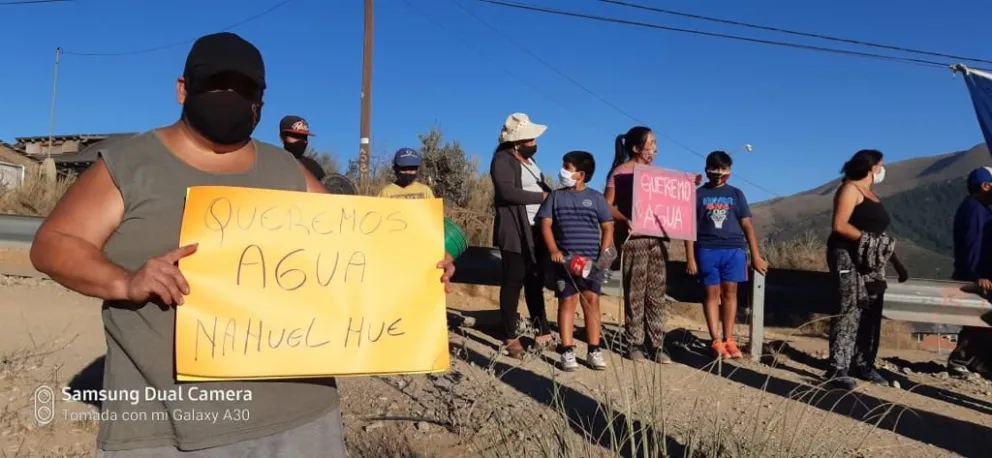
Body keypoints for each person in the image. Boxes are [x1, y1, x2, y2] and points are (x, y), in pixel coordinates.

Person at [28, 32, 455, 458]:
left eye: (245, 89)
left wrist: (419, 265)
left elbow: (356, 253)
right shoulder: (131, 164)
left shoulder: (286, 169)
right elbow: (53, 245)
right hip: (171, 434)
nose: (229, 96)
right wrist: (124, 282)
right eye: (215, 84)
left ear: (260, 103)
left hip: (302, 424)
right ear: (183, 90)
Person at [824, 149, 908, 390]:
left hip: (872, 262)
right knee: (849, 308)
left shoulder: (873, 195)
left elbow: (879, 236)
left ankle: (864, 363)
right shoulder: (849, 189)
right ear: (871, 167)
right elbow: (840, 224)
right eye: (881, 164)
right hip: (847, 256)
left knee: (872, 310)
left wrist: (896, 263)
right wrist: (868, 241)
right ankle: (837, 367)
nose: (883, 169)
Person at [685, 151, 768, 359]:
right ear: (706, 170)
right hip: (707, 249)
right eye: (715, 169)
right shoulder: (697, 194)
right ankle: (715, 340)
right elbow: (688, 228)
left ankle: (729, 339)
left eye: (723, 169)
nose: (719, 173)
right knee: (711, 294)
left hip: (734, 250)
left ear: (730, 171)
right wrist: (690, 257)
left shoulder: (736, 194)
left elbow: (747, 225)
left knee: (731, 293)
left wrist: (755, 256)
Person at [537, 151, 614, 371]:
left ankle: (594, 349)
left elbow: (607, 226)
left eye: (567, 167)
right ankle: (568, 350)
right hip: (565, 262)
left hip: (591, 263)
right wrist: (553, 249)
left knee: (592, 302)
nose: (562, 171)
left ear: (581, 174)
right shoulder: (555, 197)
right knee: (566, 302)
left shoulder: (597, 198)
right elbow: (545, 224)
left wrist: (604, 253)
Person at [604, 126, 673, 363]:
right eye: (650, 143)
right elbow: (607, 206)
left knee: (657, 293)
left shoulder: (660, 175)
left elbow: (674, 200)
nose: (654, 147)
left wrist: (687, 184)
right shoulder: (620, 173)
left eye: (655, 142)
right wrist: (625, 219)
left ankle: (657, 344)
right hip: (634, 240)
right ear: (636, 147)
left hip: (659, 240)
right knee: (635, 293)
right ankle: (634, 342)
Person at [490, 112, 553, 359]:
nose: (534, 144)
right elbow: (506, 193)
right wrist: (543, 197)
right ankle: (510, 334)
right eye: (530, 140)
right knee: (513, 281)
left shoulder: (530, 164)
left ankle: (542, 330)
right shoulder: (502, 160)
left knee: (535, 281)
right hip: (514, 231)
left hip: (535, 231)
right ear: (517, 141)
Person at [948, 166, 992, 378]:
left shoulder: (981, 209)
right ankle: (960, 360)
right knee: (977, 321)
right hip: (977, 276)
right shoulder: (975, 210)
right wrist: (977, 275)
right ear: (985, 185)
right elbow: (973, 245)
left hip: (981, 275)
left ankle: (976, 362)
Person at [279, 114, 326, 181]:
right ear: (282, 138)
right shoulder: (271, 163)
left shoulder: (314, 167)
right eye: (296, 136)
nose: (301, 141)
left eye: (304, 137)